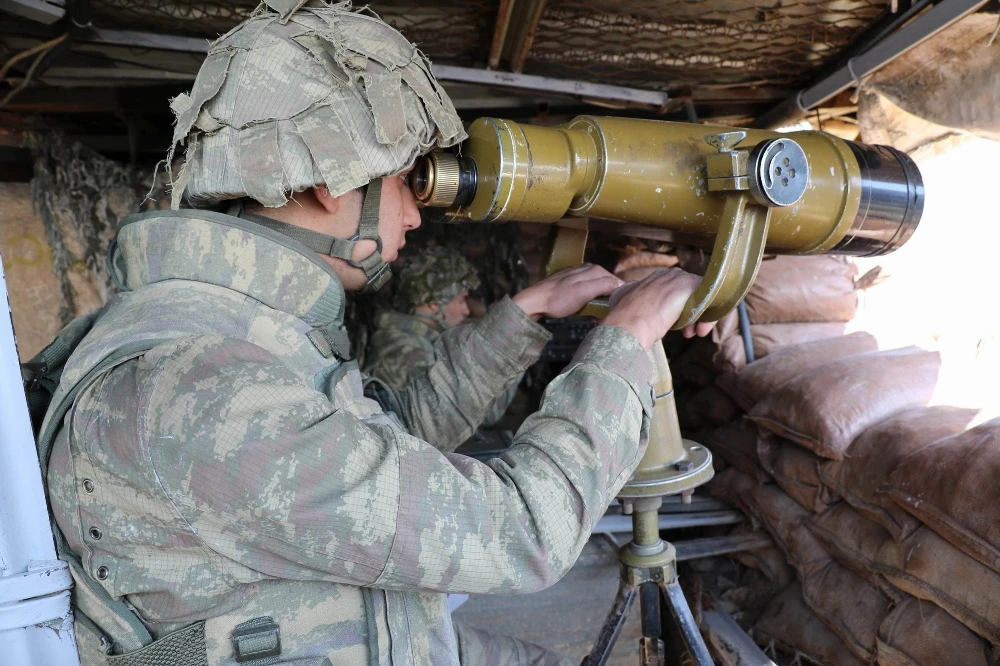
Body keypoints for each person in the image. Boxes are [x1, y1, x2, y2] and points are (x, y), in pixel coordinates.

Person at [42, 3, 712, 665]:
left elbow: (390, 442)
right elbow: (519, 532)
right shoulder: (205, 387)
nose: (416, 217)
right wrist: (623, 344)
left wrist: (523, 313)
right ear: (333, 186)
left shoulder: (226, 338)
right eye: (402, 181)